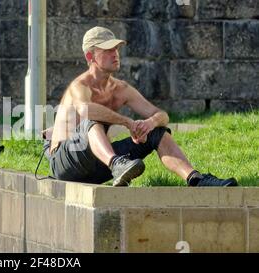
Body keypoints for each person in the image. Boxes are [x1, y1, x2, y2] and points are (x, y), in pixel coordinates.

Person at [46, 26, 238, 187]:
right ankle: (116, 164)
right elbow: (85, 109)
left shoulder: (121, 89)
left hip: (98, 166)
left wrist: (150, 123)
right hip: (66, 165)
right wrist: (127, 122)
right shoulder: (79, 86)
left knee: (158, 132)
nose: (115, 54)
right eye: (108, 50)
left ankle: (196, 179)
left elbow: (162, 114)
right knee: (90, 120)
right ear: (90, 56)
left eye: (116, 49)